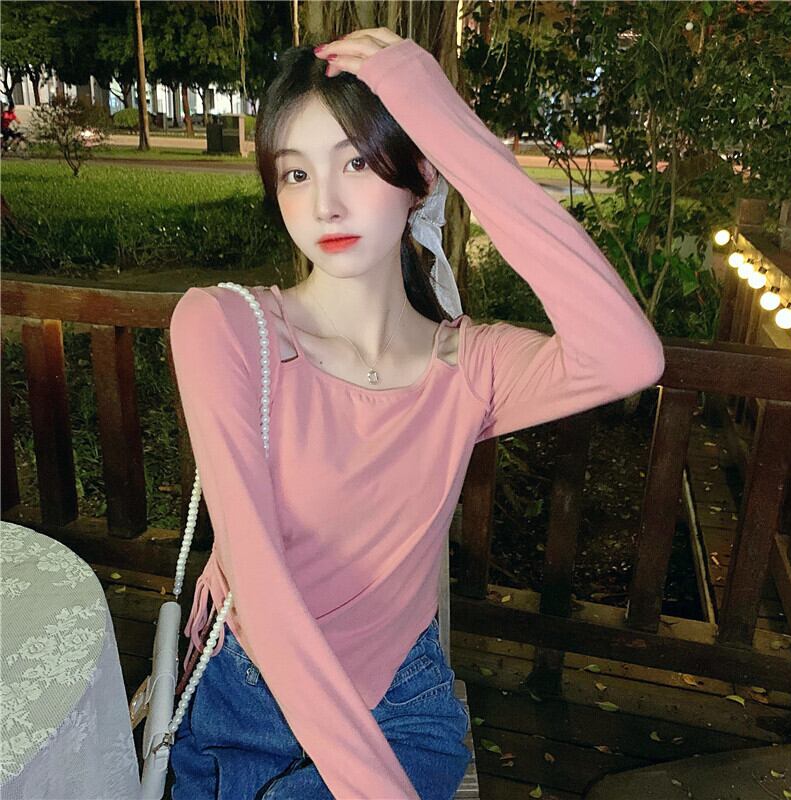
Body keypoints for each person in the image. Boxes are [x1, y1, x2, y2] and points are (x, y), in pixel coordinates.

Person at [167, 28, 664, 800]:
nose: (324, 203)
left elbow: (629, 356)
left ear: (419, 175)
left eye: (356, 163)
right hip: (249, 705)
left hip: (401, 705)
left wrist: (445, 123)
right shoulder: (225, 328)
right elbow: (259, 586)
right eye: (296, 173)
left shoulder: (469, 368)